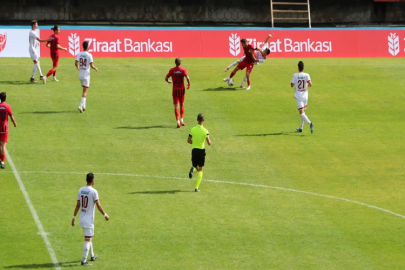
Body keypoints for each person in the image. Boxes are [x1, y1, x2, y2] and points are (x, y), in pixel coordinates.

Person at [72, 173, 109, 266]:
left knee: (89, 237)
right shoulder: (94, 191)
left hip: (82, 218)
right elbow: (99, 205)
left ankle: (92, 256)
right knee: (87, 240)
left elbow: (77, 205)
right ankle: (83, 261)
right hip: (89, 221)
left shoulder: (81, 190)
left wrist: (73, 217)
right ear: (93, 180)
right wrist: (105, 214)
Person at [188, 113, 211, 192]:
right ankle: (196, 188)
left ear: (197, 120)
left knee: (195, 166)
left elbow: (188, 140)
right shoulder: (205, 131)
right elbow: (209, 142)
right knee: (200, 169)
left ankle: (193, 169)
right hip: (201, 151)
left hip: (194, 150)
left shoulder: (193, 129)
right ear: (203, 120)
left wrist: (194, 143)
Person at [165, 57, 191, 128]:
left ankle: (178, 122)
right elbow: (187, 78)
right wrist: (188, 84)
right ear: (180, 62)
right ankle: (182, 120)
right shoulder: (183, 70)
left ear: (175, 62)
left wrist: (169, 81)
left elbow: (166, 78)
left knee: (176, 106)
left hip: (175, 90)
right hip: (182, 89)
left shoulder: (172, 70)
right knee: (182, 104)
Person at [75, 41, 98, 113]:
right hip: (86, 75)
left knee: (84, 89)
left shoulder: (79, 54)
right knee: (85, 92)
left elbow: (76, 62)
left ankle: (84, 106)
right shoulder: (89, 55)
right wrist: (95, 68)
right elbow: (91, 65)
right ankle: (80, 106)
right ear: (87, 46)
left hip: (80, 74)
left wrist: (78, 67)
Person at [291, 61, 314, 133]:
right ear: (303, 67)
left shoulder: (295, 75)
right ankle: (301, 127)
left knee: (302, 113)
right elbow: (310, 84)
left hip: (299, 96)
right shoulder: (307, 75)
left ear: (298, 68)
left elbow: (291, 85)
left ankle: (310, 123)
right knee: (303, 112)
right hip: (305, 96)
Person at [0, 92, 17, 169]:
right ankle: (2, 162)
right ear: (5, 98)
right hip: (4, 128)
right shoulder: (7, 106)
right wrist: (14, 123)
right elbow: (11, 116)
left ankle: (1, 160)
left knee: (0, 145)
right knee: (3, 146)